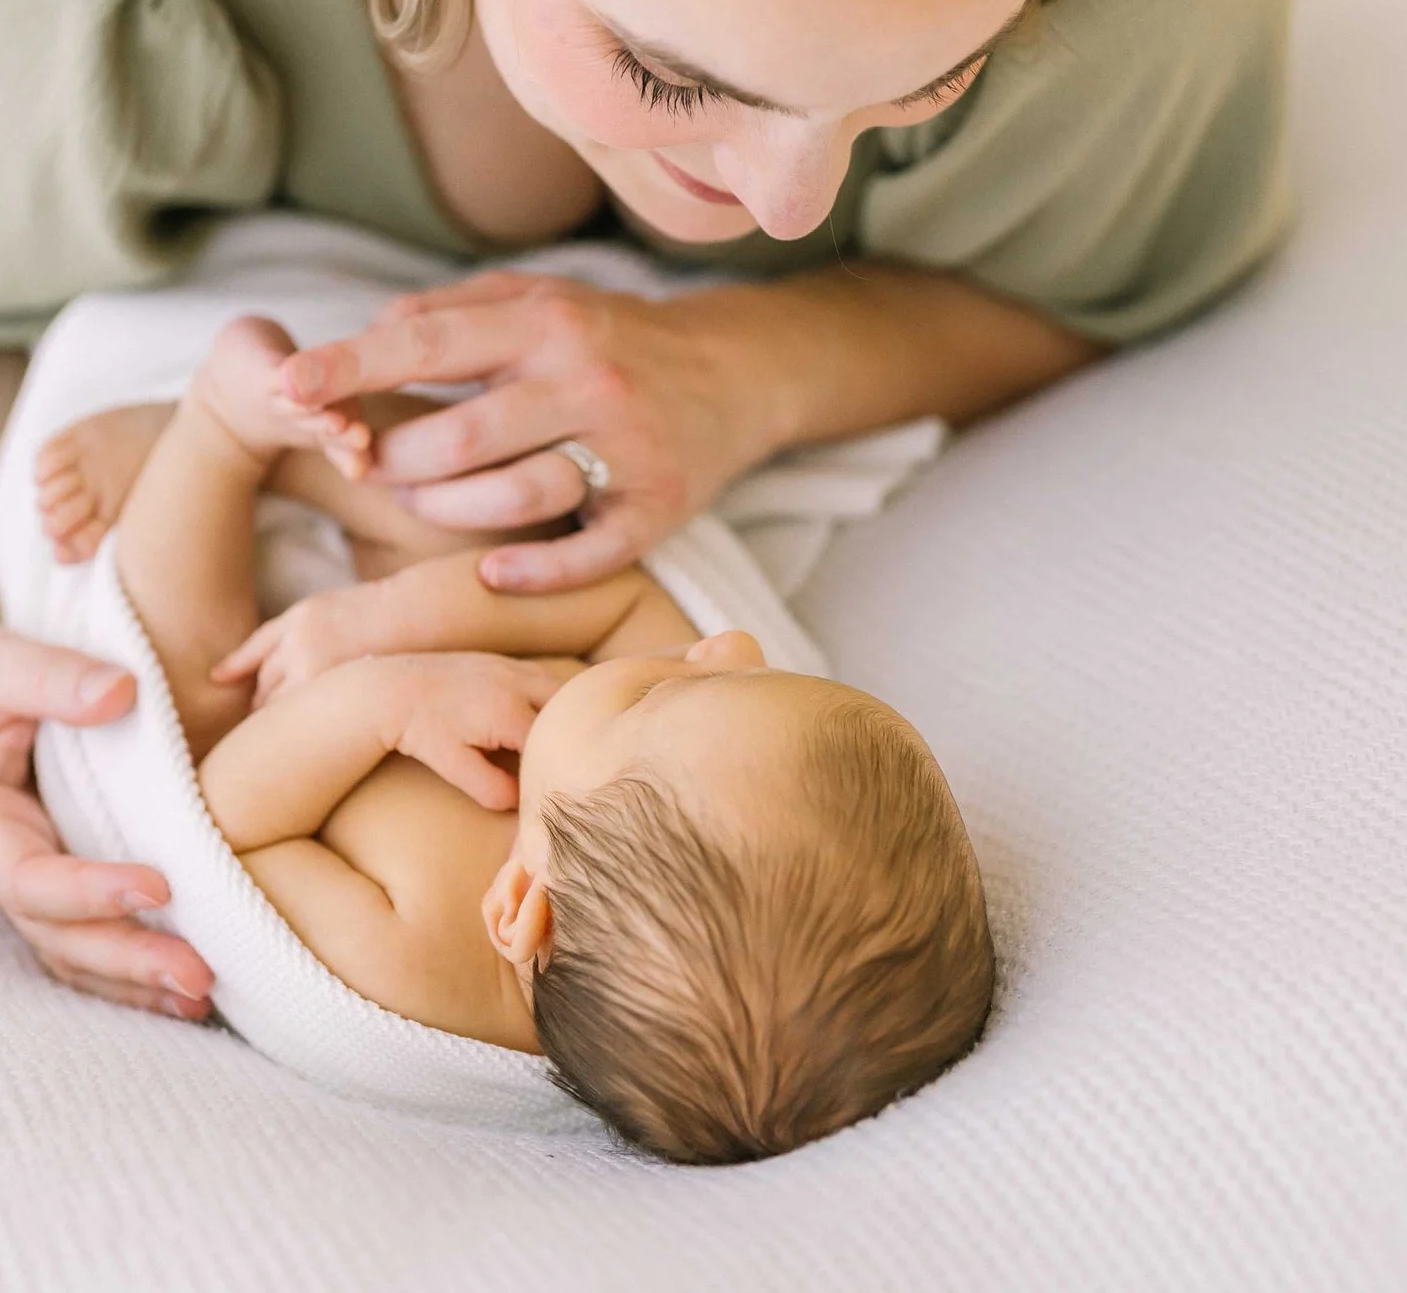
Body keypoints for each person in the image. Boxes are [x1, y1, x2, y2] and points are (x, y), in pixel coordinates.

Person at [0, 0, 1299, 1022]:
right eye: (674, 76)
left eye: (928, 83)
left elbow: (1111, 272)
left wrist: (765, 367)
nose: (779, 200)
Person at [74, 313, 992, 1162]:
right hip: (405, 629)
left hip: (271, 729)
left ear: (521, 909)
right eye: (753, 679)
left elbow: (227, 829)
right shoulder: (683, 776)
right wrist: (387, 618)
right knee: (510, 527)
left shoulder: (408, 968)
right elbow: (621, 594)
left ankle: (211, 441)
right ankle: (309, 453)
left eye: (666, 692)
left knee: (181, 688)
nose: (725, 645)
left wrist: (384, 701)